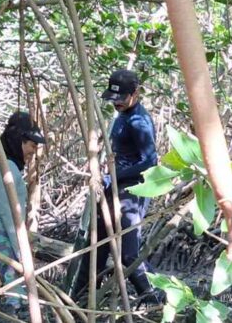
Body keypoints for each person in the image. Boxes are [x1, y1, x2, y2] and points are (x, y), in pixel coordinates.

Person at [72, 69, 160, 304]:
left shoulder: (139, 122)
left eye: (121, 100)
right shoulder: (121, 116)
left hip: (132, 192)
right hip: (113, 188)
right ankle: (83, 302)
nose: (117, 104)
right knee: (96, 247)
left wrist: (115, 174)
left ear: (136, 94)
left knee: (128, 253)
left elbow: (150, 162)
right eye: (114, 99)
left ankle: (156, 298)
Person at [0, 111, 45, 317]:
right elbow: (9, 216)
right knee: (15, 275)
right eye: (31, 145)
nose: (33, 151)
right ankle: (13, 312)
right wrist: (21, 251)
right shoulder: (9, 171)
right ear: (18, 141)